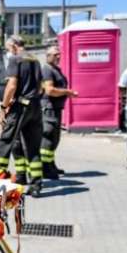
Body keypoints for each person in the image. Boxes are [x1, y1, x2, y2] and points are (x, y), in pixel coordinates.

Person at [0, 35, 44, 197]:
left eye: (9, 48)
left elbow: (12, 85)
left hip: (21, 106)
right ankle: (35, 184)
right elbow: (41, 87)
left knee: (6, 140)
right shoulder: (35, 60)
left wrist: (4, 106)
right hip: (36, 106)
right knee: (32, 146)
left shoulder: (16, 59)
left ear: (15, 45)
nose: (9, 51)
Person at [40, 46, 78, 179]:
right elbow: (49, 90)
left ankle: (50, 165)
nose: (58, 56)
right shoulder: (47, 70)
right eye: (55, 54)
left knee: (54, 140)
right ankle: (45, 168)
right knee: (48, 139)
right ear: (48, 56)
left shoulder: (56, 69)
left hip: (56, 109)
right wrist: (67, 92)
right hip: (48, 109)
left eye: (59, 54)